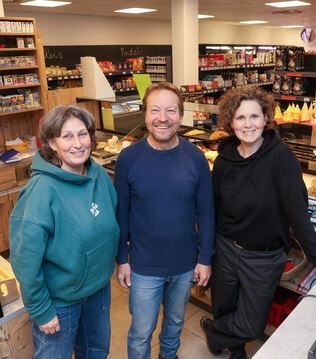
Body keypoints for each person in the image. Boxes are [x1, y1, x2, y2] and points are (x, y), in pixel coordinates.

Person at [200, 86, 316, 359]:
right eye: (240, 118)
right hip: (226, 248)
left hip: (264, 256)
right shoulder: (225, 158)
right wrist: (207, 251)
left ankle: (215, 333)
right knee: (224, 306)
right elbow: (215, 207)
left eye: (255, 116)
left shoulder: (281, 157)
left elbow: (298, 214)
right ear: (230, 121)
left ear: (266, 119)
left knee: (252, 324)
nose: (248, 124)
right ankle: (235, 349)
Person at [9, 105, 120, 359]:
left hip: (98, 291)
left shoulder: (99, 176)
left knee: (95, 353)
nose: (78, 143)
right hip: (60, 303)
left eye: (83, 134)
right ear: (51, 143)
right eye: (67, 136)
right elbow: (25, 260)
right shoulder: (41, 191)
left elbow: (111, 223)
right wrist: (41, 309)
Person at [114, 82, 215, 359]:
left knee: (174, 324)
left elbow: (206, 212)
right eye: (155, 110)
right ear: (144, 114)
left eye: (170, 110)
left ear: (180, 115)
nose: (163, 117)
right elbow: (121, 213)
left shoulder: (196, 158)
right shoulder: (128, 159)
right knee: (141, 333)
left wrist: (204, 258)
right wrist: (122, 258)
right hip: (143, 266)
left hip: (184, 266)